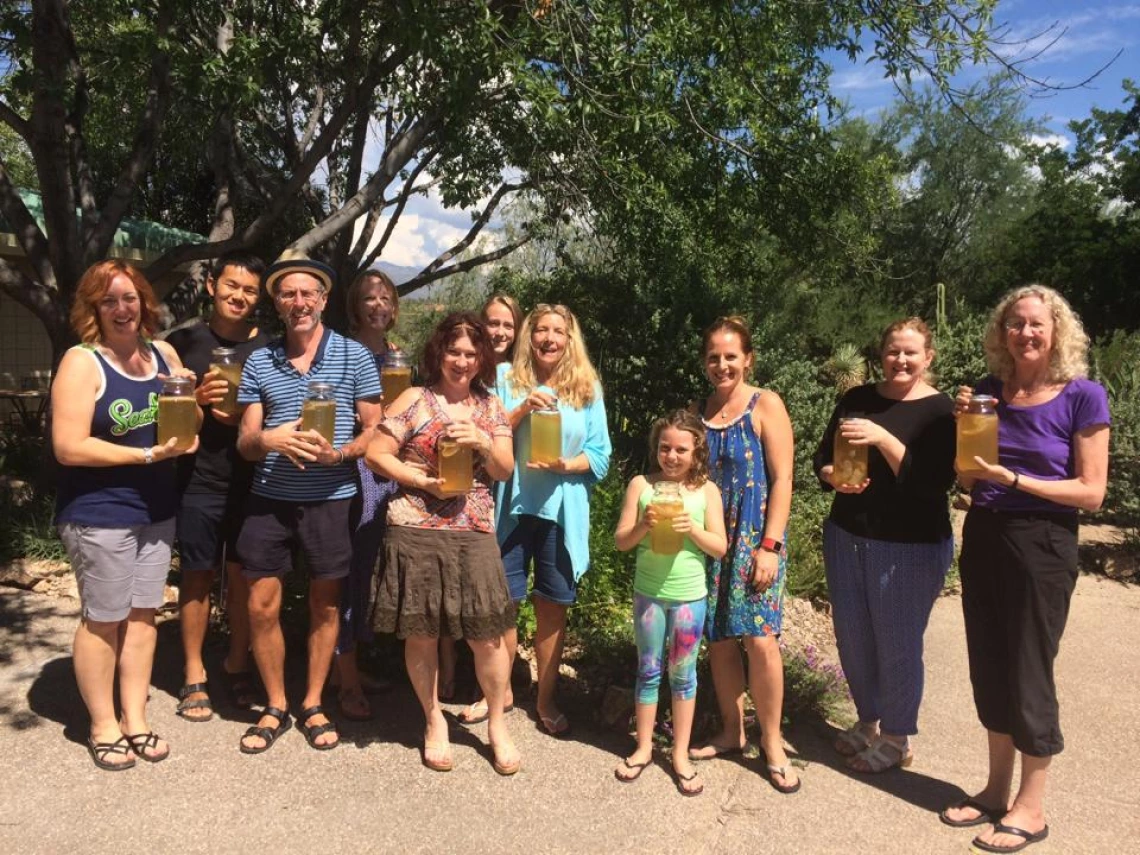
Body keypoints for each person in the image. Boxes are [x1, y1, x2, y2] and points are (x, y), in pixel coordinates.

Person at [939, 286, 1109, 854]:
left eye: (1037, 324)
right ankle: (994, 790)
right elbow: (967, 479)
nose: (1026, 334)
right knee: (989, 665)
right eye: (1016, 324)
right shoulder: (989, 393)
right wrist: (964, 433)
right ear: (1002, 333)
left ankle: (1031, 808)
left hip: (1042, 542)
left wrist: (1014, 480)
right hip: (985, 536)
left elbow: (1091, 492)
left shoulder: (1083, 396)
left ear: (1056, 331)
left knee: (1028, 670)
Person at [52, 260, 201, 769]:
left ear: (144, 303)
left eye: (130, 297)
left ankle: (135, 717)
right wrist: (142, 456)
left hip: (157, 509)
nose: (123, 308)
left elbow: (186, 424)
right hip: (101, 511)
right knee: (104, 618)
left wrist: (191, 395)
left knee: (143, 615)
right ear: (94, 308)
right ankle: (102, 724)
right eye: (110, 300)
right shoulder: (82, 362)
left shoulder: (163, 353)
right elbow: (68, 447)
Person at [234, 257, 382, 754]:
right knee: (260, 605)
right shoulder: (259, 361)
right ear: (277, 304)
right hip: (269, 499)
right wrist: (270, 440)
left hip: (331, 500)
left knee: (327, 606)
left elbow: (375, 430)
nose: (299, 303)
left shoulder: (354, 356)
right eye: (288, 295)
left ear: (322, 300)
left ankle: (314, 701)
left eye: (308, 294)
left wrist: (339, 453)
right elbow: (246, 442)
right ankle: (275, 703)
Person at [367, 312, 520, 774]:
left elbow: (505, 470)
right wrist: (418, 479)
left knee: (488, 637)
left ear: (482, 360)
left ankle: (496, 724)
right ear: (440, 352)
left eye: (472, 353)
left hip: (472, 529)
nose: (463, 360)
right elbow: (376, 453)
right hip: (414, 527)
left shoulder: (490, 408)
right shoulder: (415, 398)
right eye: (455, 351)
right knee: (422, 633)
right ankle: (433, 719)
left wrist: (483, 443)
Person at [813, 318, 956, 773]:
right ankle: (868, 720)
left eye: (910, 353)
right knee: (853, 636)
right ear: (881, 354)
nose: (900, 360)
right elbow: (823, 456)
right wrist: (831, 476)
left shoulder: (941, 411)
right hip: (848, 535)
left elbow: (935, 484)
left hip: (909, 545)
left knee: (897, 642)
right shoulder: (857, 399)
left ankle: (897, 736)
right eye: (893, 351)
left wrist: (884, 438)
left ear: (928, 357)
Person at [690, 316, 799, 794]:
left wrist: (770, 546)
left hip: (756, 541)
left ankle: (772, 741)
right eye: (713, 357)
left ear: (747, 358)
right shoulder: (697, 412)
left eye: (730, 356)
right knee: (717, 637)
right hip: (710, 540)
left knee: (759, 640)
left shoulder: (765, 404)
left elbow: (784, 479)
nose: (722, 365)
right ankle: (732, 732)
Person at [492, 303, 612, 737]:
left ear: (569, 338)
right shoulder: (506, 380)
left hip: (561, 512)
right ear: (529, 336)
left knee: (552, 608)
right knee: (502, 604)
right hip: (512, 508)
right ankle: (498, 692)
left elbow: (601, 456)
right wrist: (523, 407)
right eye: (540, 330)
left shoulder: (586, 388)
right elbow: (490, 435)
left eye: (557, 331)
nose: (548, 338)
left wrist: (568, 464)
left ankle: (545, 698)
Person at [165, 252, 269, 721]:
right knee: (198, 574)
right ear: (211, 285)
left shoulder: (269, 348)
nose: (239, 296)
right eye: (231, 286)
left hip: (255, 480)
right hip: (200, 478)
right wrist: (199, 406)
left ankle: (235, 663)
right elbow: (165, 416)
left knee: (246, 578)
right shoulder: (182, 342)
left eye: (249, 290)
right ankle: (193, 673)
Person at [613, 410, 726, 796]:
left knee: (683, 676)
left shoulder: (706, 491)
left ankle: (680, 754)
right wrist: (644, 524)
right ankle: (644, 746)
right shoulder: (641, 485)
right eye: (665, 448)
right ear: (656, 448)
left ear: (696, 451)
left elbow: (721, 547)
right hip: (648, 594)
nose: (672, 456)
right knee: (647, 670)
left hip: (689, 598)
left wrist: (692, 528)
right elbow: (622, 541)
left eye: (681, 449)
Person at [331, 268, 400, 721]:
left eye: (385, 298)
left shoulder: (397, 356)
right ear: (356, 305)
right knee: (349, 570)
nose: (377, 305)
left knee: (373, 569)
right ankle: (345, 677)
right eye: (369, 298)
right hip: (355, 469)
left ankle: (359, 661)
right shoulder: (342, 351)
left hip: (388, 471)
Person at [456, 292, 525, 725]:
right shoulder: (465, 368)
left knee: (497, 592)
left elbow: (497, 432)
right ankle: (468, 677)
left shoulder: (520, 376)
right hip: (465, 489)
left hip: (507, 490)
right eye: (492, 323)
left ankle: (499, 690)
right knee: (466, 586)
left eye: (507, 325)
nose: (499, 331)